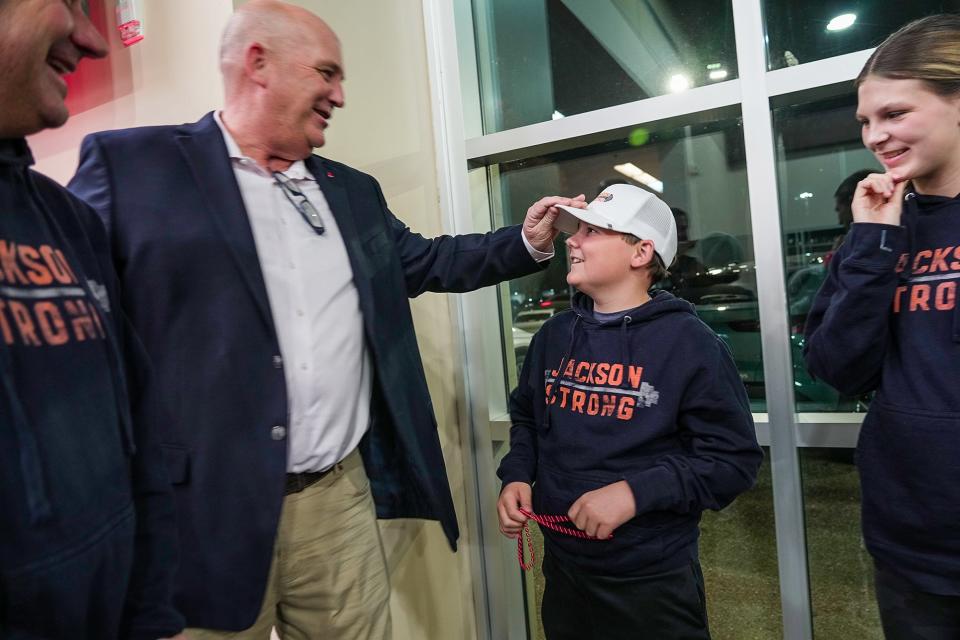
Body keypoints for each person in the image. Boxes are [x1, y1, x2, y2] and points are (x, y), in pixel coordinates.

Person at [67, 1, 585, 637]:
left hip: (335, 500)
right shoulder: (134, 168)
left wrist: (526, 242)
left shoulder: (351, 191)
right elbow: (72, 335)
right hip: (198, 515)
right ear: (259, 63)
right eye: (326, 73)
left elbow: (426, 262)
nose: (340, 94)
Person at [496, 184, 762, 640]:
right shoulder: (554, 336)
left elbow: (732, 461)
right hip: (564, 568)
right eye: (576, 230)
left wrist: (635, 493)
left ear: (641, 253)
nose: (572, 241)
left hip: (649, 579)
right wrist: (517, 473)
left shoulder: (689, 344)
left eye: (592, 231)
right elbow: (527, 418)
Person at [0, 1, 185, 638]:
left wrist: (151, 618)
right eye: (73, 2)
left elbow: (140, 437)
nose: (93, 40)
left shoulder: (69, 221)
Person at [804, 14, 960, 637]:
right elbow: (836, 368)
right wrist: (873, 244)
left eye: (894, 114)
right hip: (911, 547)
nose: (875, 136)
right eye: (866, 122)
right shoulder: (874, 235)